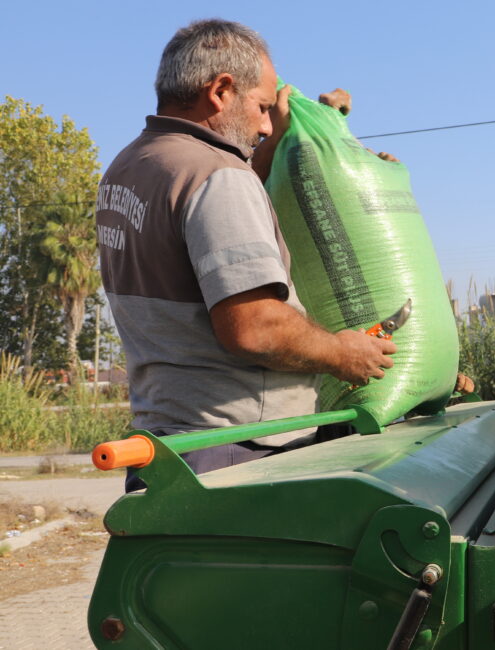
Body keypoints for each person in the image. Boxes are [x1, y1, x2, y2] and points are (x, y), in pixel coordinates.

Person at [96, 19, 397, 490]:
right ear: (220, 90)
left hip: (169, 445)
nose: (262, 123)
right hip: (240, 451)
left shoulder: (130, 166)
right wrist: (341, 352)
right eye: (259, 107)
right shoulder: (217, 176)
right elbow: (252, 326)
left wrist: (298, 141)